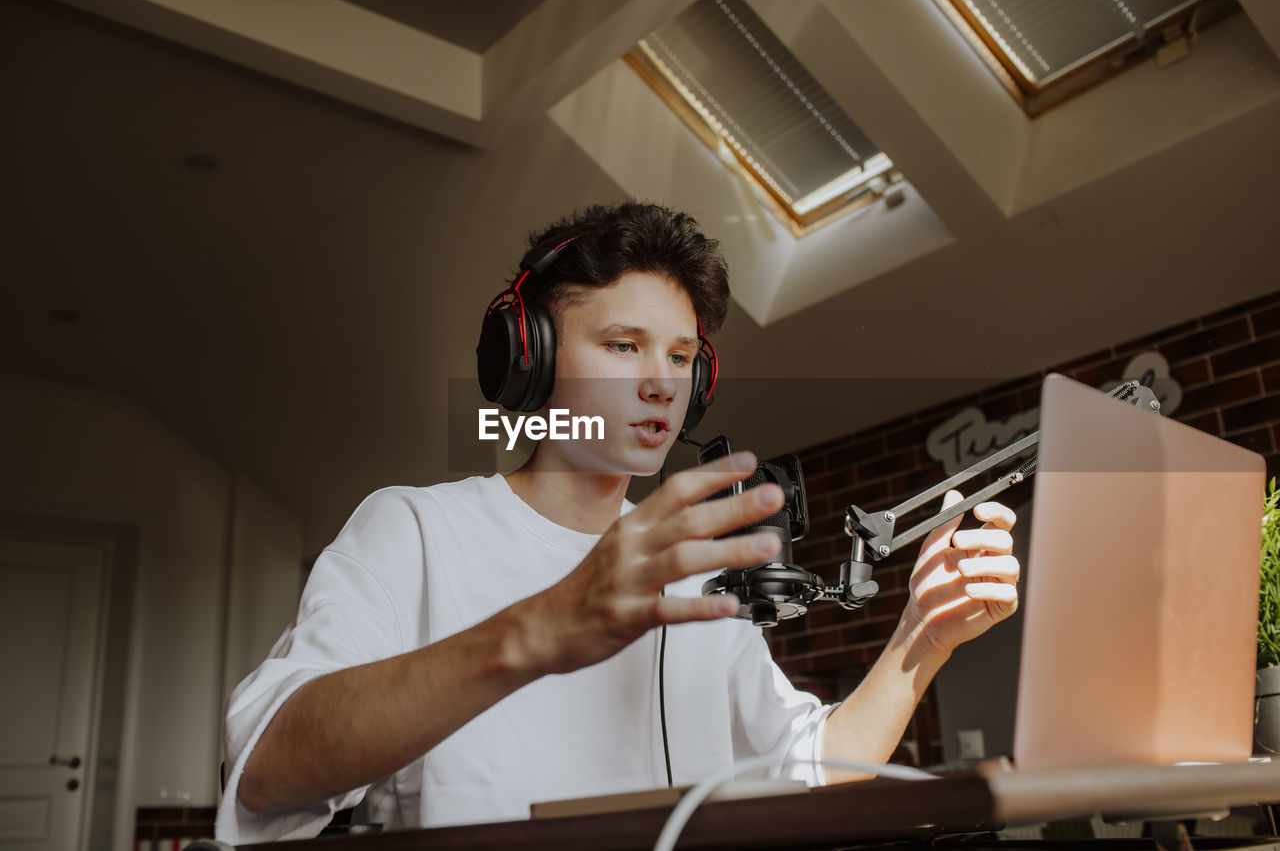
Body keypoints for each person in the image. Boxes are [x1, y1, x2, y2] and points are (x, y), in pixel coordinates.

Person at [215, 202, 1020, 842]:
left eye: (678, 358)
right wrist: (537, 628)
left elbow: (806, 773)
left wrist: (923, 637)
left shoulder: (699, 569)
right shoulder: (413, 531)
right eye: (623, 345)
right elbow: (264, 770)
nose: (661, 385)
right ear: (525, 360)